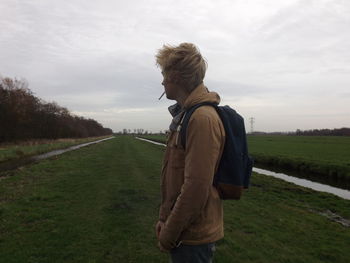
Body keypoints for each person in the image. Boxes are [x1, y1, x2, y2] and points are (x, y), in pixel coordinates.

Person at [155, 43, 226, 263]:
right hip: (184, 233)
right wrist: (163, 218)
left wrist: (169, 233)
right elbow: (175, 177)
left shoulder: (201, 118)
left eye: (164, 74)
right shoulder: (187, 115)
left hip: (192, 238)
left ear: (175, 76)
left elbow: (195, 188)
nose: (162, 81)